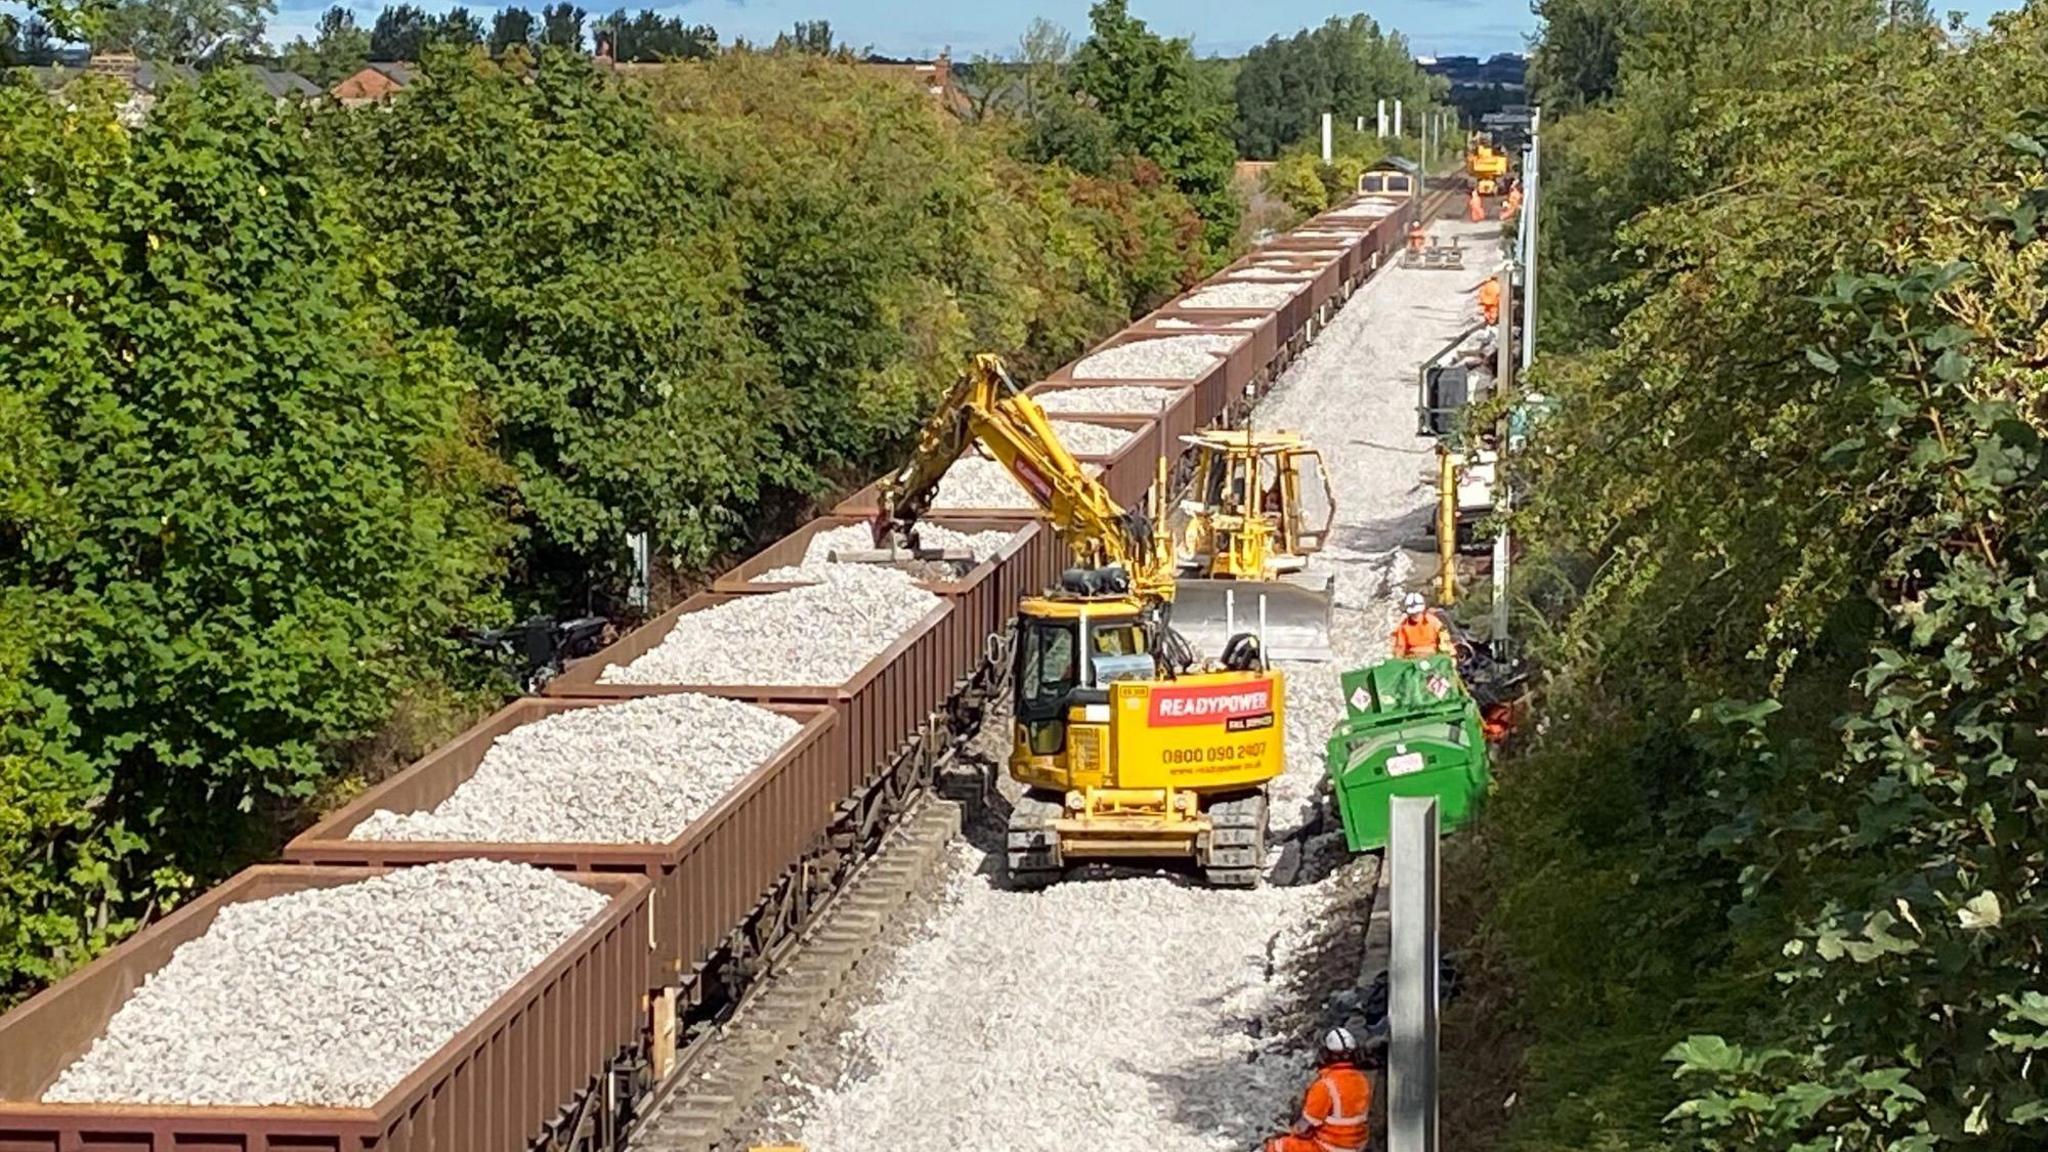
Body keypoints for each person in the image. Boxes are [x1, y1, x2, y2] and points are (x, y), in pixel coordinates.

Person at [1263, 1027, 1373, 1152]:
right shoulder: (1362, 1080)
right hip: (1357, 1146)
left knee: (1278, 1146)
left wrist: (1287, 1130)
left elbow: (1302, 1128)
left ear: (1326, 1054)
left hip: (1331, 1147)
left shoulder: (1325, 1086)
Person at [1391, 592, 1451, 658]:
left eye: (1417, 612)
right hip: (1412, 658)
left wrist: (1447, 651)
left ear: (1422, 610)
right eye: (1413, 613)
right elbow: (1400, 647)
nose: (1415, 615)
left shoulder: (1433, 622)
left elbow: (1445, 638)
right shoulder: (1403, 626)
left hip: (1433, 657)